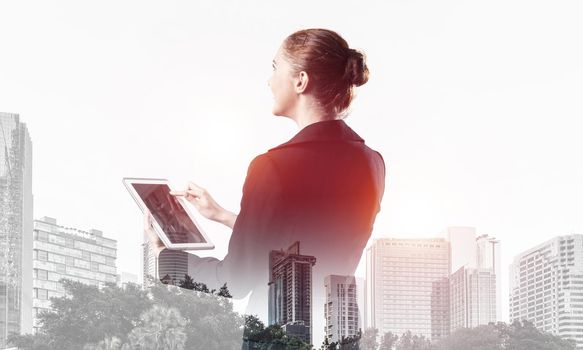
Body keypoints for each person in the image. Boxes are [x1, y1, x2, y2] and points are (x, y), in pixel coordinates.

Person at [144, 28, 386, 345]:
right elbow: (311, 237)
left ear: (300, 80)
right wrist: (223, 216)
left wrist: (165, 258)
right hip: (336, 334)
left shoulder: (272, 167)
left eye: (274, 68)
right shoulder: (372, 163)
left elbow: (234, 280)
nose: (269, 81)